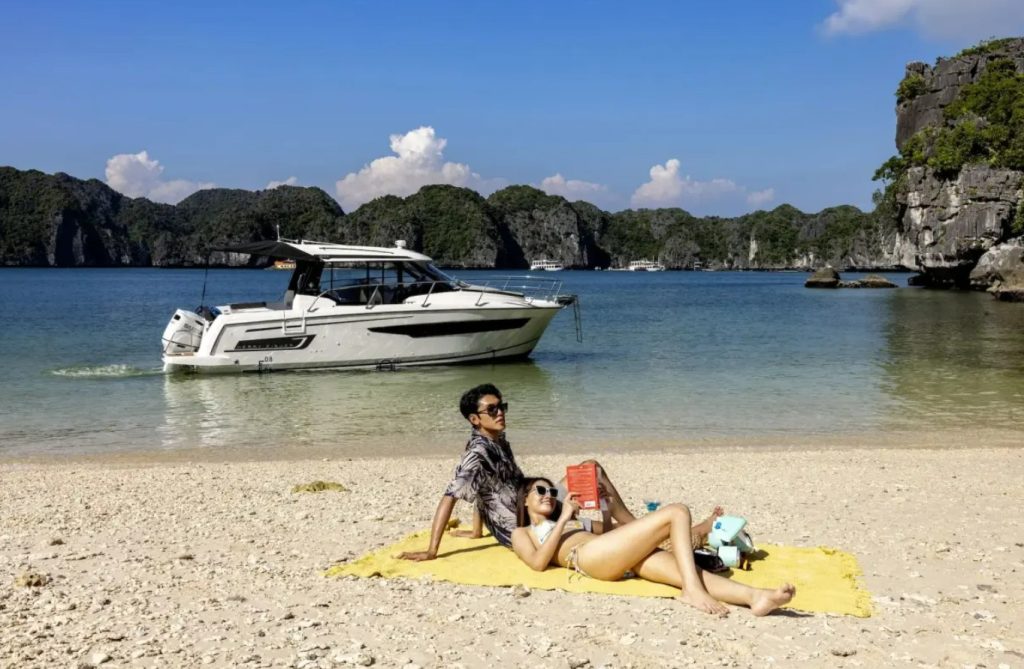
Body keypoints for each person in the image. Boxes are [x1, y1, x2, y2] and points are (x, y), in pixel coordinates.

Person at [399, 383, 722, 561]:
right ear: (474, 419)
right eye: (492, 410)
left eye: (502, 407)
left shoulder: (499, 441)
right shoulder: (476, 453)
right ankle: (666, 531)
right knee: (604, 526)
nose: (500, 414)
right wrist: (432, 550)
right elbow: (450, 497)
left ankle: (644, 526)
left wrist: (475, 531)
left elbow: (484, 493)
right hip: (526, 524)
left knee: (591, 468)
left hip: (535, 504)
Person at [511, 476, 797, 616]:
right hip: (586, 558)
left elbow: (612, 532)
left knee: (687, 570)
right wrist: (562, 519)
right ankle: (692, 593)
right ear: (525, 499)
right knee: (677, 511)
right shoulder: (523, 532)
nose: (549, 495)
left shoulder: (575, 521)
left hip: (613, 555)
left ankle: (756, 597)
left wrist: (606, 506)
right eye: (541, 490)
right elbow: (537, 564)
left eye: (551, 491)